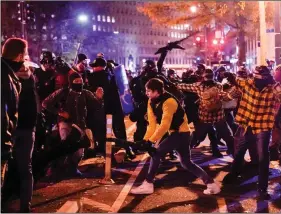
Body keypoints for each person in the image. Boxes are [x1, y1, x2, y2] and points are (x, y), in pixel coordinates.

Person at [130, 78, 221, 195]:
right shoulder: (151, 101)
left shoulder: (169, 102)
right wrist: (145, 140)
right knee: (186, 163)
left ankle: (148, 184)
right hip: (177, 134)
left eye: (149, 91)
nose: (147, 93)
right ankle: (211, 184)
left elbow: (164, 124)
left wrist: (151, 141)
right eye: (146, 91)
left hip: (181, 134)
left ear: (157, 91)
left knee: (156, 154)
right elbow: (152, 124)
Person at [223, 66, 281, 200]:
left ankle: (262, 188)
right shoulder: (246, 83)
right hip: (246, 124)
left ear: (268, 78)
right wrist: (232, 87)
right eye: (256, 78)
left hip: (263, 126)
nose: (258, 81)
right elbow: (228, 97)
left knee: (263, 158)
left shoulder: (273, 87)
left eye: (262, 78)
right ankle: (234, 174)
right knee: (239, 152)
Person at [1, 38, 37, 213]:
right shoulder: (10, 77)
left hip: (16, 130)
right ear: (20, 55)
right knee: (25, 169)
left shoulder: (11, 74)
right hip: (14, 132)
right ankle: (24, 206)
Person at [177, 69, 235, 156]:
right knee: (226, 134)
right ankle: (232, 151)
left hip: (205, 116)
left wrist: (174, 85)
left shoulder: (198, 86)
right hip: (218, 115)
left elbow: (184, 86)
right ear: (213, 76)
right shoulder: (218, 86)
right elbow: (224, 97)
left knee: (198, 135)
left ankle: (186, 151)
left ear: (203, 77)